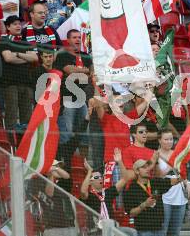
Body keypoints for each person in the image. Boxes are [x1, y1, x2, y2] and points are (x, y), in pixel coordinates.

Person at [54, 29, 92, 165]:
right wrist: (84, 71)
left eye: (78, 37)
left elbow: (91, 74)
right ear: (68, 40)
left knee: (85, 132)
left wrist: (77, 72)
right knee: (68, 132)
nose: (77, 40)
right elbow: (68, 70)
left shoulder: (86, 56)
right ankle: (70, 161)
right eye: (74, 37)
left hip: (82, 98)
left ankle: (83, 162)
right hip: (67, 98)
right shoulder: (62, 55)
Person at [81, 148, 137, 236]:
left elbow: (125, 179)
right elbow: (83, 192)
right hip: (95, 230)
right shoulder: (89, 196)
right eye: (96, 177)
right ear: (90, 182)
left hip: (111, 228)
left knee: (132, 232)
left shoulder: (108, 192)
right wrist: (89, 172)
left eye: (101, 176)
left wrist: (120, 162)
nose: (100, 178)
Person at [0, 15, 38, 131]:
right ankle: (11, 143)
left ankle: (24, 143)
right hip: (10, 82)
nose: (18, 26)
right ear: (8, 27)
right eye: (15, 24)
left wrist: (17, 54)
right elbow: (8, 58)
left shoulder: (26, 42)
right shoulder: (4, 41)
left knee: (27, 116)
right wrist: (26, 57)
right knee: (11, 113)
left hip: (26, 82)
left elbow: (35, 58)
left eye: (19, 24)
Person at [124, 159, 181, 236]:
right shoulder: (131, 189)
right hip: (143, 230)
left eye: (148, 167)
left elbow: (175, 180)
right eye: (144, 167)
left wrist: (181, 170)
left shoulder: (156, 182)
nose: (147, 169)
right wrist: (144, 205)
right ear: (137, 171)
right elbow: (131, 213)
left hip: (159, 228)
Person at [27, 160, 75, 236]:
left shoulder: (63, 182)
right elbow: (49, 193)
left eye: (59, 167)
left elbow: (67, 176)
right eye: (56, 166)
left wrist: (55, 169)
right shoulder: (40, 181)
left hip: (68, 224)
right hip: (51, 226)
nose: (59, 168)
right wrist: (50, 175)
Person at [157, 129, 190, 236]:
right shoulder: (155, 155)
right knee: (163, 230)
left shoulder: (178, 154)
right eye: (166, 139)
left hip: (180, 196)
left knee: (175, 231)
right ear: (159, 140)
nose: (169, 142)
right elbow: (157, 176)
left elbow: (184, 174)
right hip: (164, 196)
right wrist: (171, 165)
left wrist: (187, 185)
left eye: (171, 139)